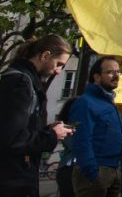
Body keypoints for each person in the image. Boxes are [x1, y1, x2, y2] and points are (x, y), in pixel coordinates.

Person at [0, 35, 74, 197]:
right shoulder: (20, 82)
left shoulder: (23, 80)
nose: (59, 71)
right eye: (59, 64)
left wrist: (48, 131)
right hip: (12, 181)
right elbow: (12, 137)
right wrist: (52, 135)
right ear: (45, 55)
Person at [69, 56, 122, 197]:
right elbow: (81, 139)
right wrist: (93, 172)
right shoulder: (86, 103)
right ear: (97, 77)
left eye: (118, 72)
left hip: (113, 169)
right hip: (96, 171)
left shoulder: (109, 103)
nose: (116, 76)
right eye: (111, 72)